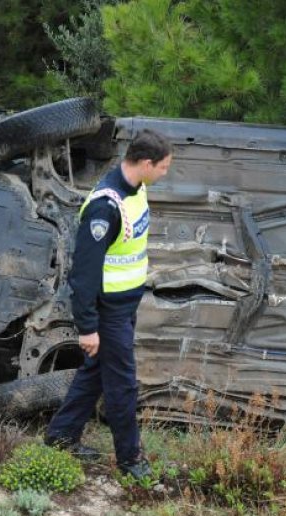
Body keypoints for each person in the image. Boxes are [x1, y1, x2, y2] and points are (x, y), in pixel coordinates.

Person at [45, 129, 173, 479]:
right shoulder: (105, 207)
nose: (165, 173)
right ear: (146, 164)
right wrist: (87, 327)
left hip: (126, 304)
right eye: (163, 167)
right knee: (123, 384)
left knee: (96, 374)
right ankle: (130, 460)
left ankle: (60, 437)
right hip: (108, 312)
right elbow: (83, 275)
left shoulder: (136, 187)